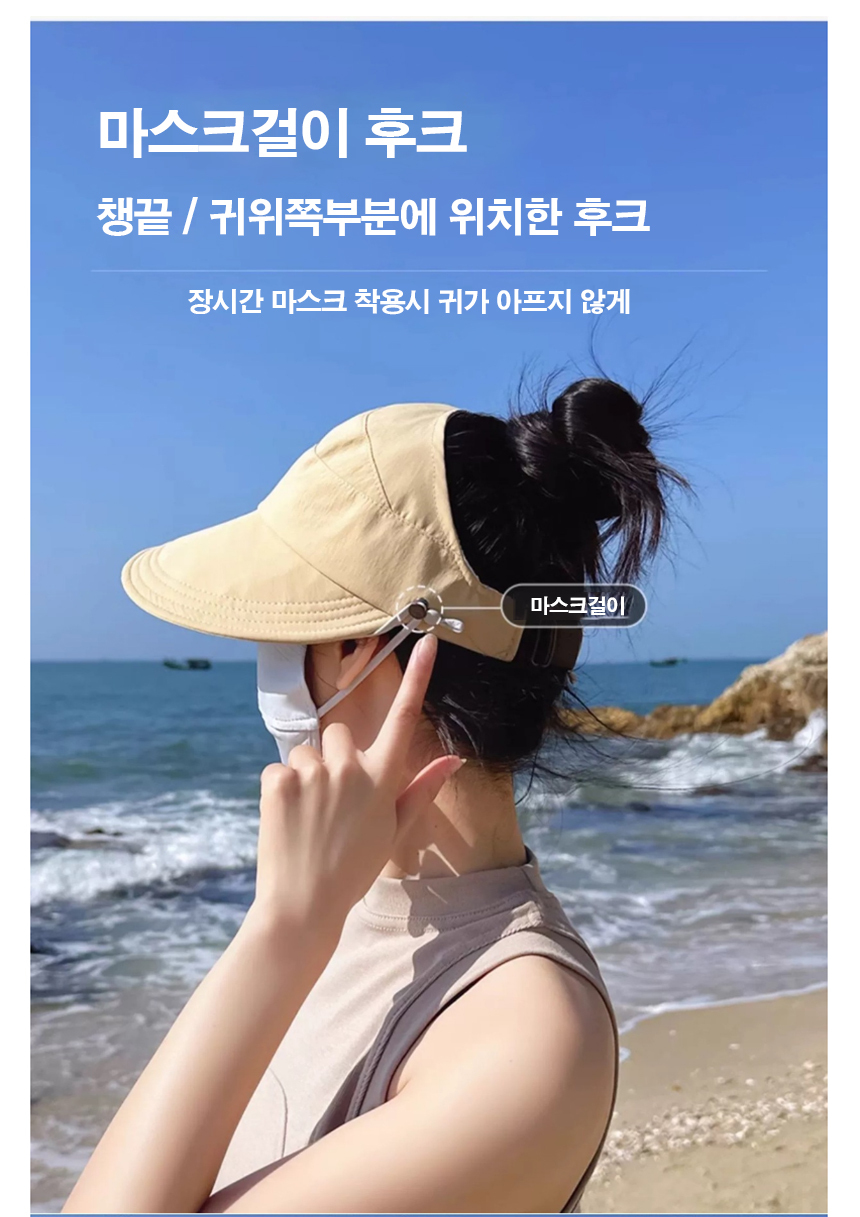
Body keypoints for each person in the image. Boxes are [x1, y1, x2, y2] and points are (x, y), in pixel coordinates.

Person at [63, 377, 685, 1215]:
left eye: (281, 628)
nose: (265, 657)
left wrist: (283, 930)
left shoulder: (522, 1037)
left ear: (369, 649)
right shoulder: (343, 897)